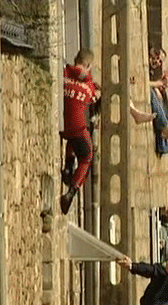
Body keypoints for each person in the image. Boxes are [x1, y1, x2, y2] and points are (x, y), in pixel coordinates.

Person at [60, 49, 99, 215]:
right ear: (88, 65)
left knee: (73, 140)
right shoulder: (89, 85)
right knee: (87, 157)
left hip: (63, 127)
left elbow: (72, 72)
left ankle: (68, 166)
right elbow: (92, 95)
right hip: (77, 127)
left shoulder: (63, 72)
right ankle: (71, 192)